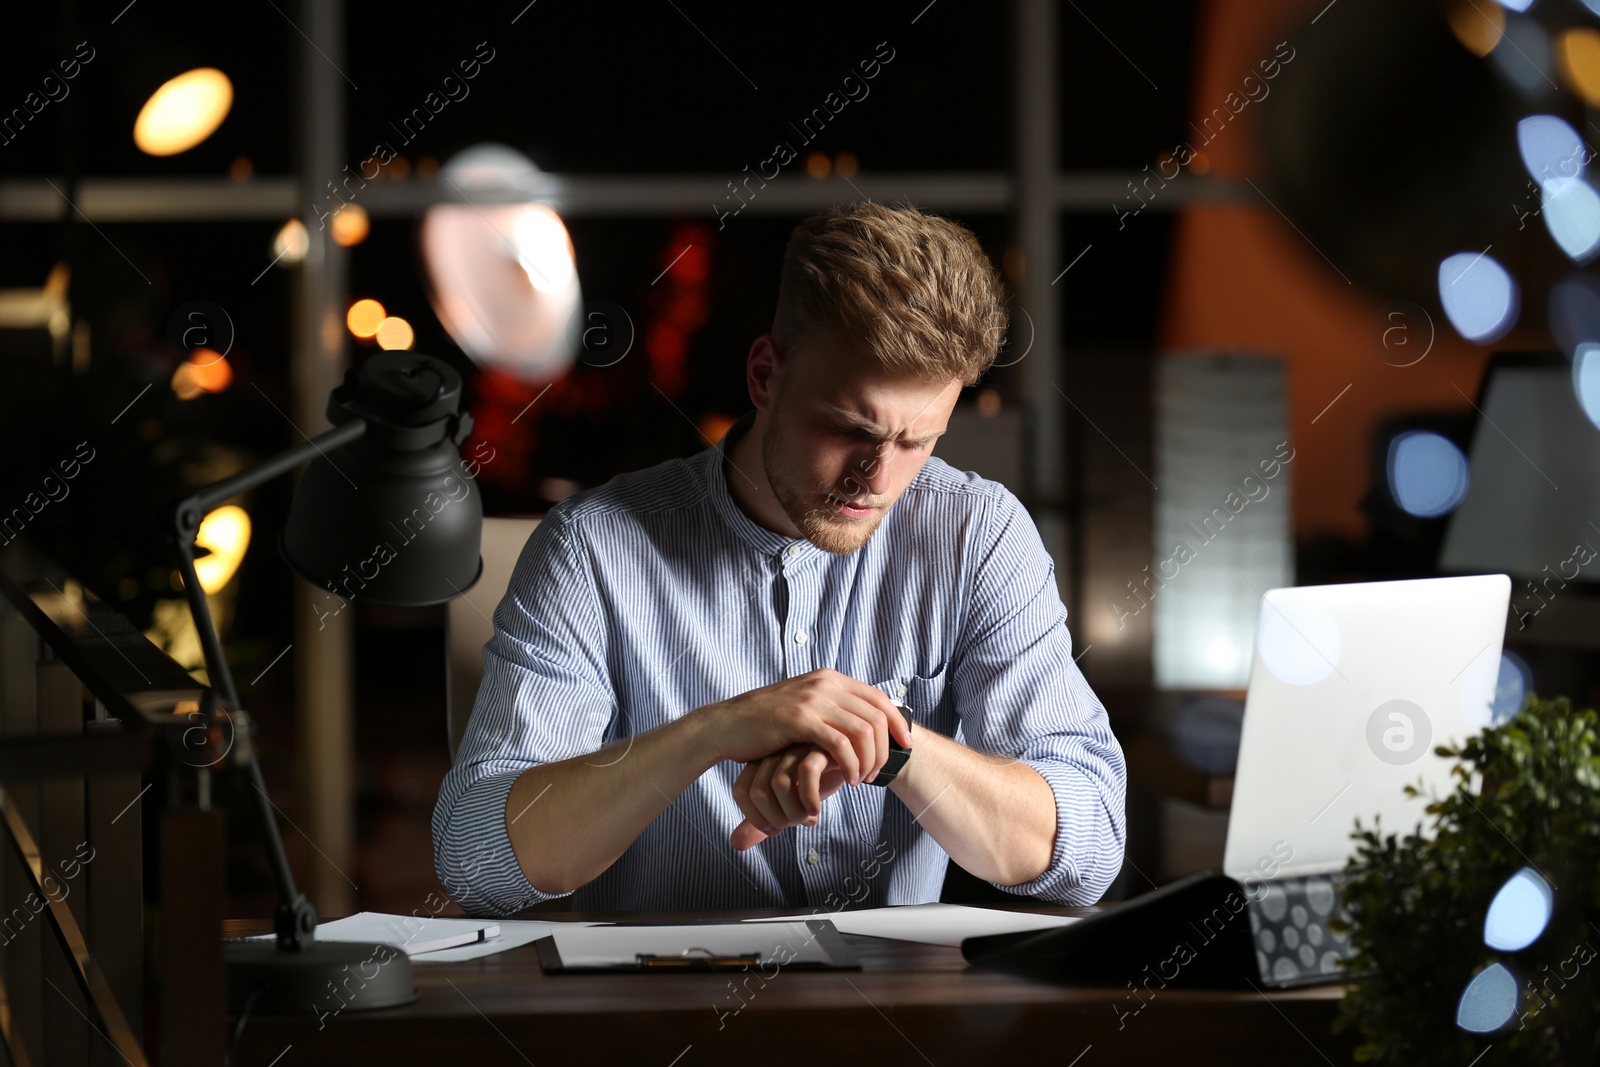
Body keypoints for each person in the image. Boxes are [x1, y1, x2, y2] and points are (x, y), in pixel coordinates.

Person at [432, 201, 1126, 915]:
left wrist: (887, 746)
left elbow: (1090, 848)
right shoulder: (593, 548)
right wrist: (714, 731)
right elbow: (476, 861)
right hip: (657, 1012)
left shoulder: (977, 535)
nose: (877, 478)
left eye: (919, 441)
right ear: (765, 375)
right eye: (849, 428)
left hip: (893, 1018)